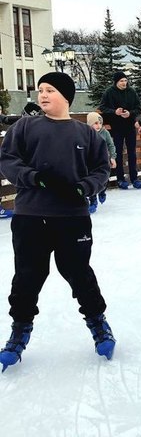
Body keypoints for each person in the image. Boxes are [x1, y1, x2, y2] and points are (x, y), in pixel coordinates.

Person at [0, 72, 115, 372]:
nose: (43, 95)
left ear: (66, 96)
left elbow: (102, 169)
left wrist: (84, 187)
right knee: (27, 275)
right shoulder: (25, 126)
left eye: (50, 90)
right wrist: (34, 178)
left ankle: (98, 323)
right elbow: (8, 160)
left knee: (79, 274)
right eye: (40, 90)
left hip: (72, 218)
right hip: (30, 215)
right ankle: (20, 330)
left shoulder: (85, 133)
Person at [99, 71, 141, 189]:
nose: (124, 83)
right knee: (117, 152)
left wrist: (130, 113)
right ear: (116, 82)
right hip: (117, 127)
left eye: (125, 80)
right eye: (121, 81)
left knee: (132, 153)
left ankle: (134, 178)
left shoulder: (131, 92)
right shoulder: (109, 92)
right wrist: (115, 112)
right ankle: (120, 178)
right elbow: (102, 107)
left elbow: (138, 108)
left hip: (129, 126)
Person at [86, 112, 117, 213]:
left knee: (104, 179)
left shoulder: (105, 133)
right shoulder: (86, 133)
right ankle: (93, 200)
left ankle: (102, 191)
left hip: (104, 161)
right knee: (91, 180)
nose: (98, 125)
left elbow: (111, 145)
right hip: (90, 162)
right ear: (90, 124)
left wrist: (112, 157)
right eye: (95, 123)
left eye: (100, 123)